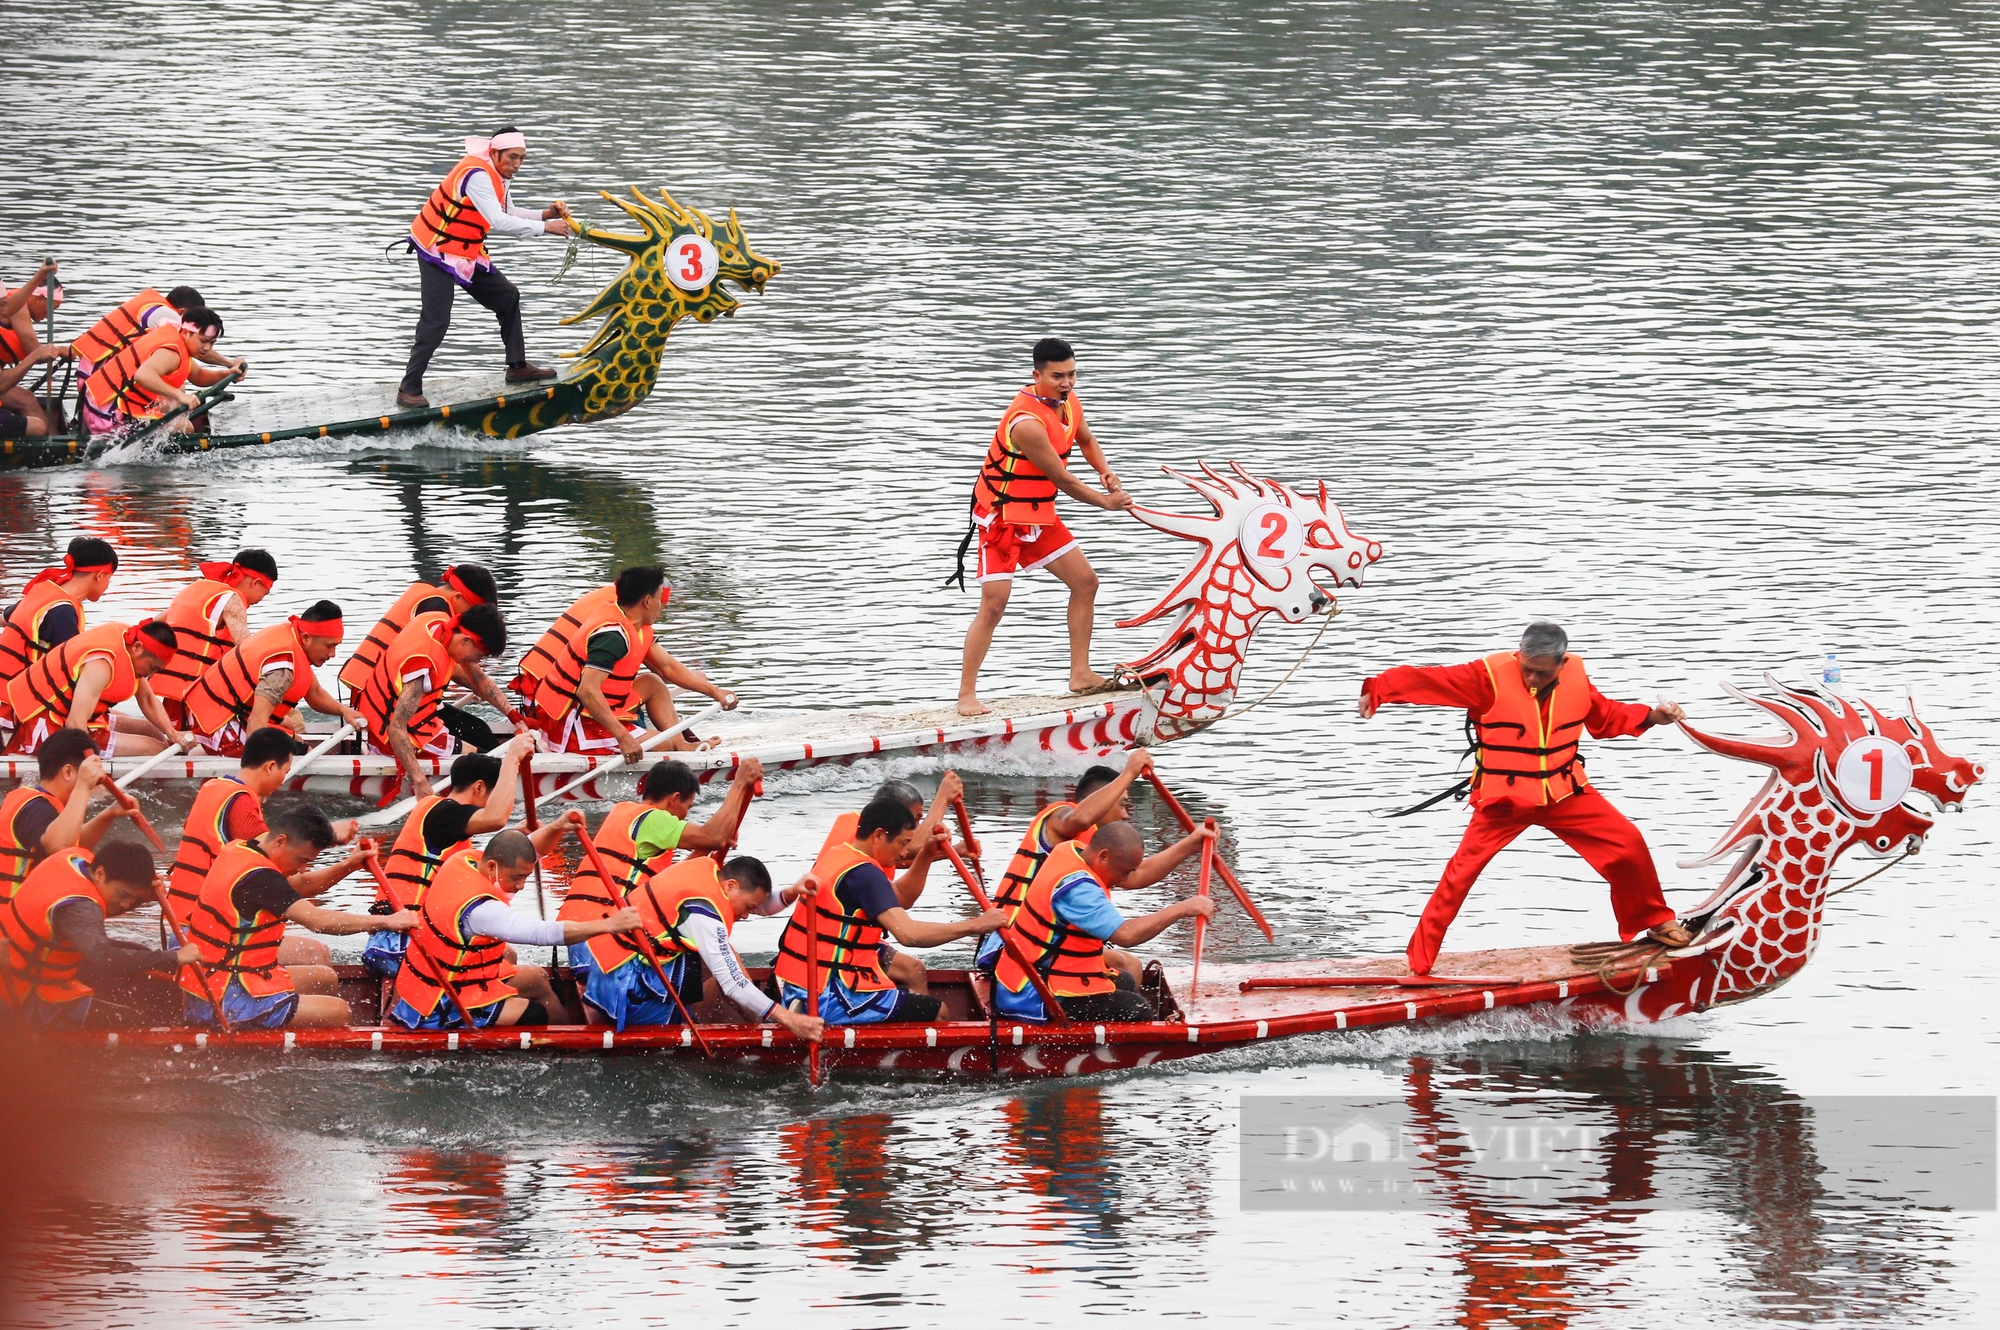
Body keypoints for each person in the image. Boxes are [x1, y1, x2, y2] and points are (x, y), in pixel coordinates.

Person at [1360, 621, 1695, 973]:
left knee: (1628, 843)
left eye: (1541, 673)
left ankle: (1656, 921)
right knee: (1459, 876)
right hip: (1504, 801)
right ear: (1519, 655)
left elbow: (1604, 716)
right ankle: (1419, 962)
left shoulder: (1576, 676)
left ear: (1562, 664)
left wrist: (1653, 716)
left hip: (1565, 792)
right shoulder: (1487, 677)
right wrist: (1379, 690)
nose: (1532, 678)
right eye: (1527, 669)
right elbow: (1430, 680)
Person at [954, 337, 1136, 717]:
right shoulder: (1027, 423)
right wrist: (1106, 502)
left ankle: (1080, 673)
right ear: (1036, 375)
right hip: (1002, 519)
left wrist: (1105, 471)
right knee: (994, 605)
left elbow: (1086, 440)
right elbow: (1063, 479)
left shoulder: (1068, 405)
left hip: (1038, 514)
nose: (1067, 383)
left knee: (1086, 582)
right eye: (1057, 376)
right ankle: (966, 695)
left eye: (1072, 374)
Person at [975, 751, 1210, 983]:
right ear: (1103, 799)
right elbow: (1081, 818)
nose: (1126, 815)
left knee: (1118, 961)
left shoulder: (1092, 848)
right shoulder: (1058, 819)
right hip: (1011, 941)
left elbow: (1136, 876)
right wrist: (1129, 772)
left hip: (1043, 939)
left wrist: (1191, 844)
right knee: (1128, 964)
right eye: (1122, 804)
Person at [773, 793, 1006, 1024]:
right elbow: (909, 934)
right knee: (939, 1011)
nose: (905, 852)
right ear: (878, 836)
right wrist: (975, 925)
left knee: (912, 982)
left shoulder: (841, 854)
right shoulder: (864, 874)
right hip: (829, 995)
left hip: (805, 985)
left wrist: (926, 854)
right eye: (903, 843)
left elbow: (901, 897)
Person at [180, 805, 415, 1030]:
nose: (303, 869)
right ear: (281, 841)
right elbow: (316, 920)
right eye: (302, 861)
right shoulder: (262, 879)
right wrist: (387, 921)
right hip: (225, 999)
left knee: (325, 979)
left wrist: (350, 865)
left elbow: (303, 884)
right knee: (341, 1011)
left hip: (216, 981)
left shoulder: (243, 848)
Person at [563, 757, 764, 1016]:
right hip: (604, 946)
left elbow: (668, 882)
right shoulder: (653, 819)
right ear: (674, 798)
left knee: (703, 955)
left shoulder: (622, 814)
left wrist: (711, 845)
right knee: (719, 950)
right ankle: (765, 1022)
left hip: (580, 942)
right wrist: (739, 783)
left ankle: (696, 1015)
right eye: (687, 807)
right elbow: (713, 834)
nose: (685, 816)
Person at [388, 827, 630, 1031]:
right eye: (517, 877)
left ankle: (566, 1039)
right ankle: (556, 1044)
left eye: (525, 876)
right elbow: (542, 934)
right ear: (493, 866)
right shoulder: (482, 910)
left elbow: (525, 848)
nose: (521, 885)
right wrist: (608, 925)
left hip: (450, 979)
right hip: (443, 1002)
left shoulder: (465, 861)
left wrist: (557, 826)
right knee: (535, 1013)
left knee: (537, 978)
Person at [397, 127, 573, 408]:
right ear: (494, 153)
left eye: (522, 158)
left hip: (465, 251)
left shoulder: (499, 175)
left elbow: (507, 211)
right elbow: (500, 222)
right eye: (512, 157)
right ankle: (408, 389)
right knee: (436, 320)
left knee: (508, 296)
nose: (517, 164)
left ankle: (517, 367)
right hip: (436, 249)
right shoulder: (478, 175)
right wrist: (546, 228)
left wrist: (545, 214)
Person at [165, 725, 362, 965]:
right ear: (270, 767)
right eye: (285, 771)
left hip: (181, 927)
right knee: (316, 953)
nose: (283, 780)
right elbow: (294, 885)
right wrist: (335, 842)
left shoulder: (214, 788)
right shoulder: (242, 806)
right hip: (199, 937)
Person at [991, 820, 1212, 1024]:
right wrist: (1182, 908)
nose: (1125, 880)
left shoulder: (1073, 851)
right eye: (1124, 872)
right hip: (1035, 994)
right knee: (1138, 1009)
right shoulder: (1078, 890)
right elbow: (1126, 935)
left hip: (1037, 977)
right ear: (1103, 856)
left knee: (1124, 980)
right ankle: (1109, 1056)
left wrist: (1192, 843)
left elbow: (1139, 873)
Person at [589, 851, 824, 1042]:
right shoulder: (704, 914)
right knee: (728, 967)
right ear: (731, 886)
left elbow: (759, 905)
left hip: (610, 964)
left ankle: (763, 1021)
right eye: (748, 908)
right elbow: (733, 984)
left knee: (722, 960)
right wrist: (790, 1019)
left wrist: (793, 891)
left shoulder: (708, 871)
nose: (745, 916)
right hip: (624, 984)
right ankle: (766, 1025)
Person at [511, 566, 736, 757]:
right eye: (660, 600)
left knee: (651, 681)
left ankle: (681, 746)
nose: (662, 609)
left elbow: (665, 668)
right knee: (663, 745)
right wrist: (624, 737)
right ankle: (672, 746)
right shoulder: (613, 635)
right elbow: (587, 691)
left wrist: (714, 692)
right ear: (647, 601)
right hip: (575, 725)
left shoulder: (628, 619)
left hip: (591, 710)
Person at [362, 738, 532, 978]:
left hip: (400, 939)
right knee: (533, 979)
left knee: (505, 953)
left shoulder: (447, 825)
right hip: (401, 945)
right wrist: (512, 758)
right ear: (479, 788)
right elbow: (496, 818)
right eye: (496, 795)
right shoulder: (441, 813)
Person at [804, 773, 970, 996]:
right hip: (831, 951)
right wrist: (942, 799)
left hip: (841, 942)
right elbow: (915, 845)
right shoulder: (855, 839)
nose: (916, 827)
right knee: (913, 973)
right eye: (915, 819)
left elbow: (906, 863)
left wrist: (953, 853)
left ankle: (919, 1022)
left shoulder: (871, 844)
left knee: (913, 971)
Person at [0, 839, 194, 1028]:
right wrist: (175, 957)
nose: (126, 905)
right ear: (100, 873)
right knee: (133, 1018)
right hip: (27, 996)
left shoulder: (75, 859)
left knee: (140, 953)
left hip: (43, 969)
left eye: (133, 898)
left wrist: (142, 898)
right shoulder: (79, 906)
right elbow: (106, 959)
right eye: (123, 895)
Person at [338, 564, 512, 749]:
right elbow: (465, 672)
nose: (474, 621)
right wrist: (484, 689)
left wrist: (509, 712)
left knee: (478, 729)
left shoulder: (427, 593)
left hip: (378, 694)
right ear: (458, 597)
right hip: (388, 705)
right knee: (479, 735)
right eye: (473, 613)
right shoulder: (436, 611)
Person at [355, 602, 514, 795]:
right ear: (465, 641)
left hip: (415, 718)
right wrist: (419, 780)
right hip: (399, 737)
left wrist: (515, 716)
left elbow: (479, 680)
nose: (478, 662)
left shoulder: (438, 622)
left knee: (481, 733)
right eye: (479, 656)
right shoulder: (422, 667)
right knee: (485, 765)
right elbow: (397, 728)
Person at [181, 601, 363, 754]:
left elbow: (314, 693)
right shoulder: (281, 669)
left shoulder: (292, 636)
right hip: (217, 724)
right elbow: (255, 725)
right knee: (301, 751)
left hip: (222, 712)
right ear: (307, 638)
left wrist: (344, 711)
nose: (333, 654)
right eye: (329, 646)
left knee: (291, 731)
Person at [1, 619, 192, 757]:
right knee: (155, 748)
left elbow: (148, 700)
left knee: (153, 729)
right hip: (49, 727)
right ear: (138, 648)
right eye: (152, 668)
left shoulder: (128, 643)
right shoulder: (101, 664)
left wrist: (173, 733)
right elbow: (75, 724)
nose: (152, 676)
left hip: (73, 718)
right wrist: (89, 765)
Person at [0, 727, 134, 902]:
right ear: (68, 772)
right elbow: (59, 847)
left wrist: (109, 814)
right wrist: (83, 786)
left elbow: (74, 845)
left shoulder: (42, 805)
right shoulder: (36, 809)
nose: (95, 784)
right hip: (9, 923)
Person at [150, 550, 280, 717]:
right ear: (255, 583)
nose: (261, 599)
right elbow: (246, 650)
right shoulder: (233, 599)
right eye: (265, 593)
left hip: (172, 684)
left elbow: (156, 623)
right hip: (200, 691)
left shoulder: (197, 588)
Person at [80, 308, 235, 438]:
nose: (208, 348)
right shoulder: (171, 352)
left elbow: (198, 376)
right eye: (203, 341)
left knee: (174, 400)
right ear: (187, 333)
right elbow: (142, 376)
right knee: (187, 427)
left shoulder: (176, 337)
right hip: (106, 416)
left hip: (97, 407)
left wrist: (227, 373)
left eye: (212, 343)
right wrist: (179, 395)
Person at [0, 537, 118, 687]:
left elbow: (4, 619)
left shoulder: (43, 594)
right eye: (109, 578)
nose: (108, 585)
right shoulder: (63, 612)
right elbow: (72, 668)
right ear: (100, 575)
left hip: (7, 692)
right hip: (26, 702)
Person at [69, 285, 240, 385]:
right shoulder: (170, 319)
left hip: (91, 380)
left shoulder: (156, 312)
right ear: (182, 313)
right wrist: (229, 362)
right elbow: (200, 352)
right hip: (99, 382)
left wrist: (227, 372)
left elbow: (196, 374)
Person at [1, 264, 68, 438]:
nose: (49, 315)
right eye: (51, 308)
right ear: (39, 298)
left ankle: (55, 439)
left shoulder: (11, 306)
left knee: (27, 398)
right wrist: (63, 351)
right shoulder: (18, 308)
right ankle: (56, 449)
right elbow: (34, 350)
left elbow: (38, 354)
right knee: (28, 401)